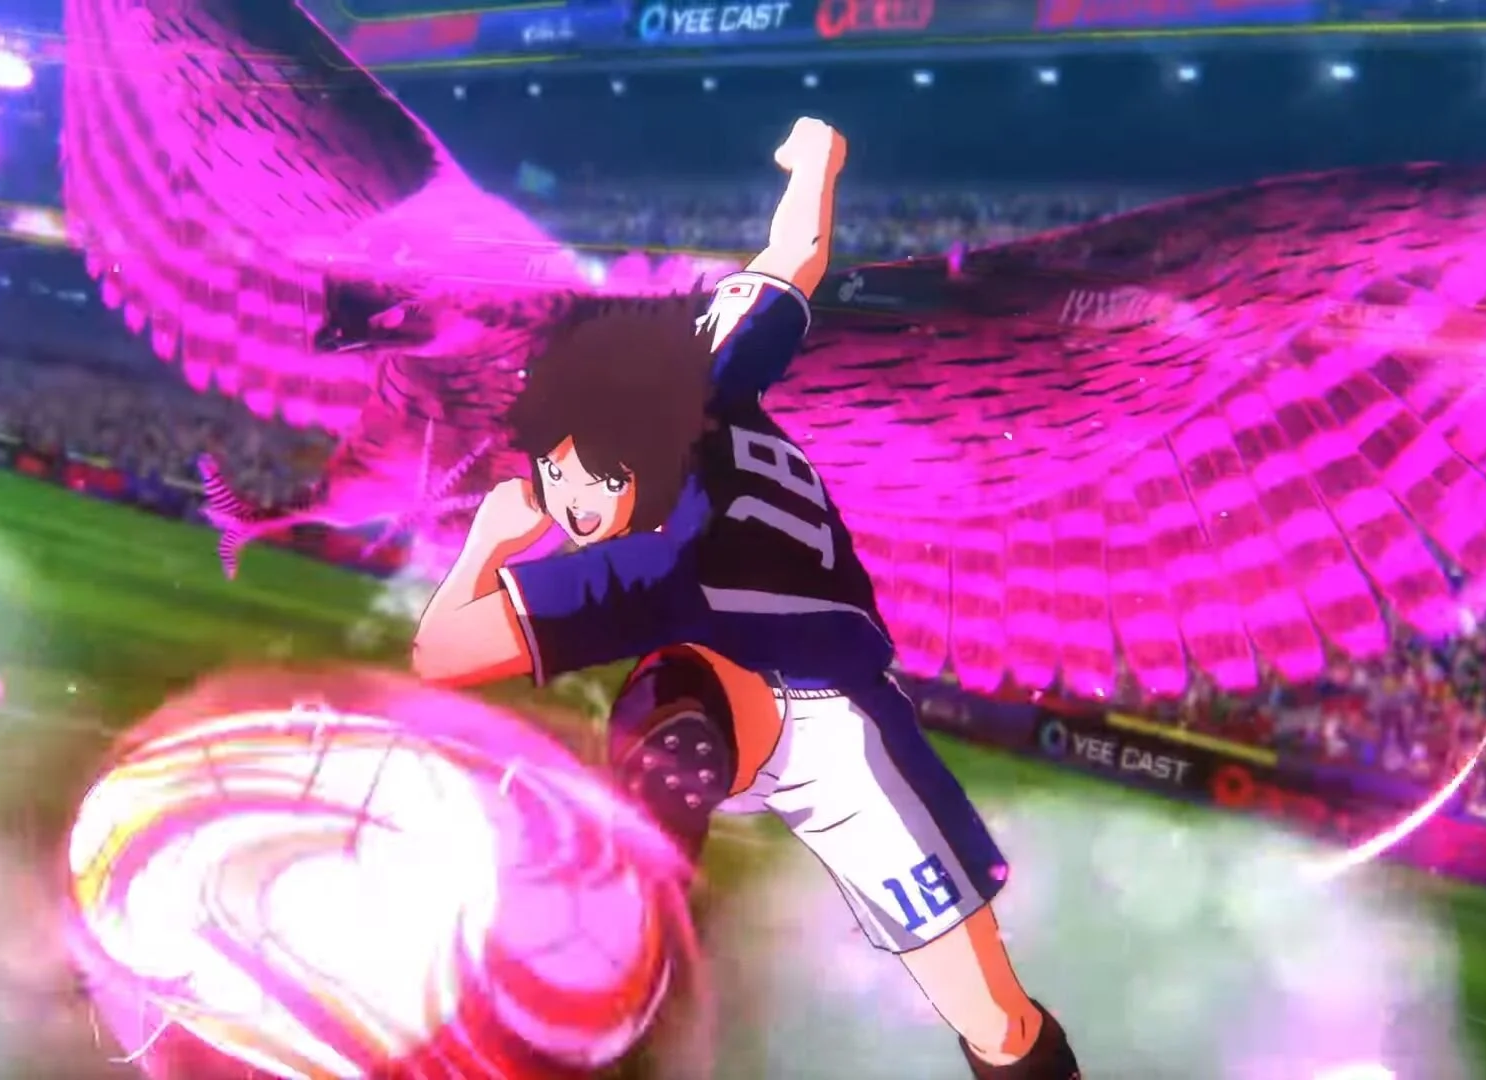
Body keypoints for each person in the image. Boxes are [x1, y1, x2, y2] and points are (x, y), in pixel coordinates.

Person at [412, 117, 1081, 1080]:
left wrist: (490, 539)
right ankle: (641, 880)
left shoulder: (646, 563)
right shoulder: (716, 380)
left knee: (682, 693)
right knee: (998, 1026)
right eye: (554, 475)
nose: (565, 501)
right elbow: (796, 253)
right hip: (839, 713)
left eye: (574, 477)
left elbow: (441, 651)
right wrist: (816, 160)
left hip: (807, 720)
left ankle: (632, 907)